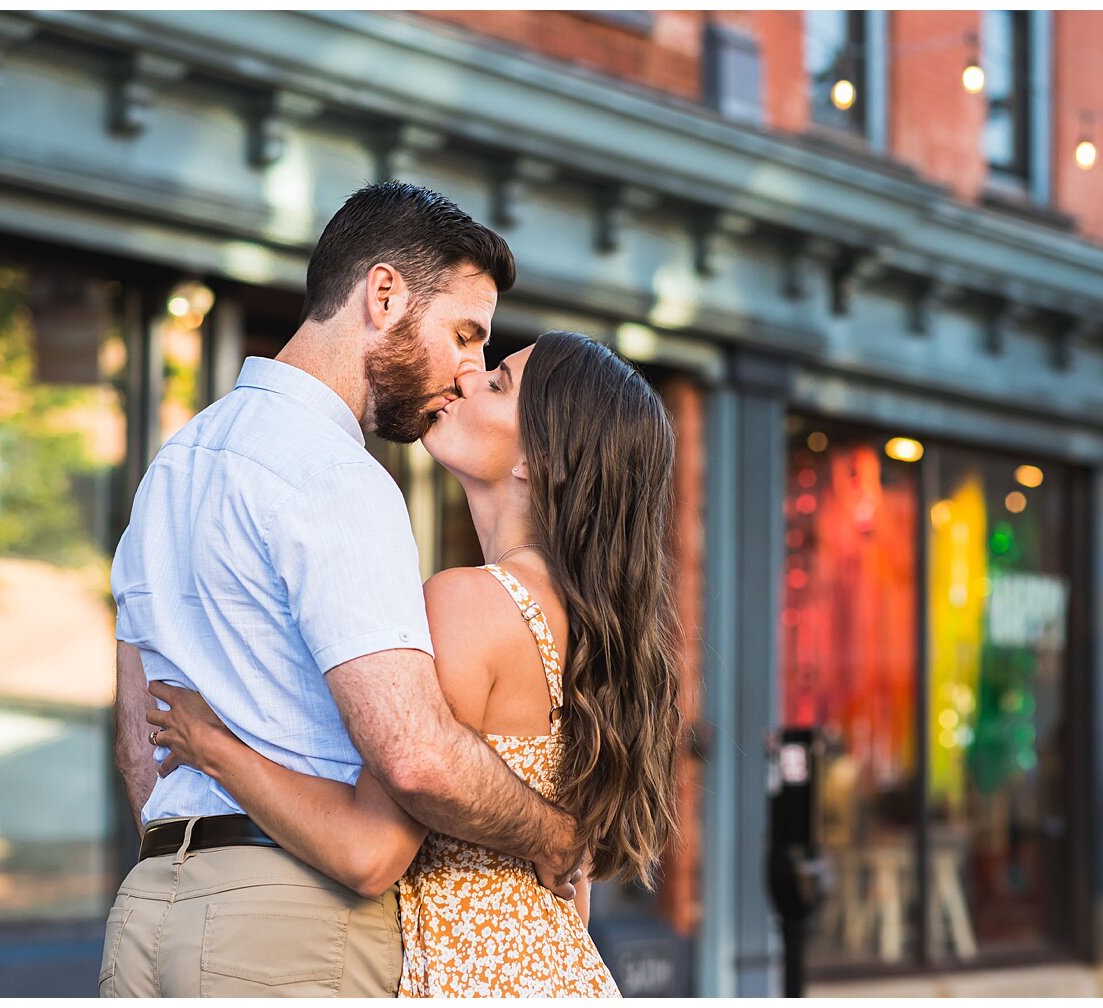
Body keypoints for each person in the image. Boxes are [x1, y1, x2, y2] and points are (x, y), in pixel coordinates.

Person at [103, 182, 584, 998]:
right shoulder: (337, 476)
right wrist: (552, 835)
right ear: (384, 293)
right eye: (464, 334)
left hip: (145, 912)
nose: (469, 372)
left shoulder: (173, 467)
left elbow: (137, 747)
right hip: (289, 926)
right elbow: (417, 757)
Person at [147, 330, 682, 997]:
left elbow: (365, 851)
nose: (464, 378)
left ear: (538, 460)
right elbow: (574, 895)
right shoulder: (586, 630)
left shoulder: (470, 603)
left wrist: (213, 745)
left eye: (498, 383)